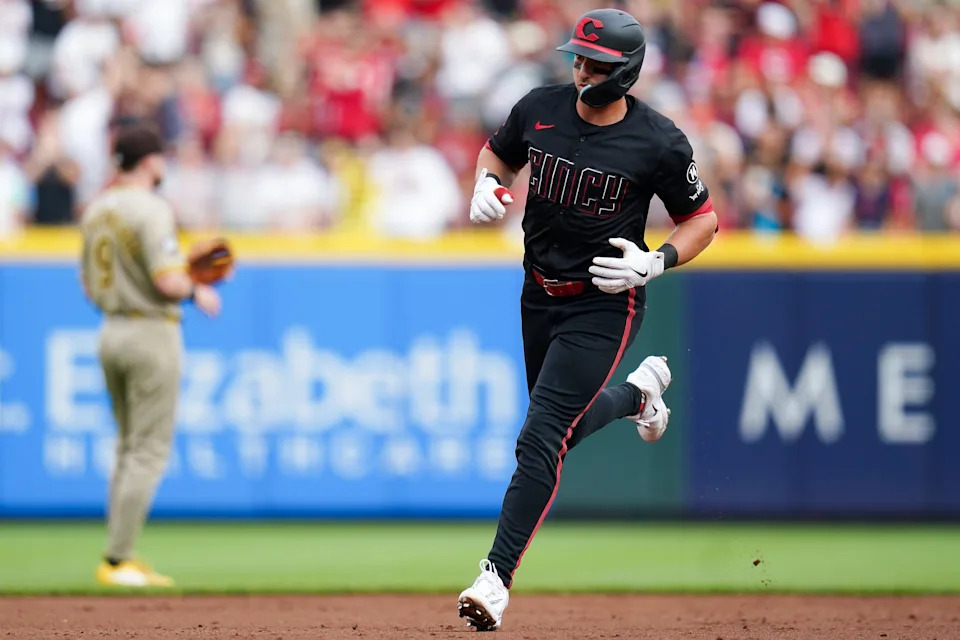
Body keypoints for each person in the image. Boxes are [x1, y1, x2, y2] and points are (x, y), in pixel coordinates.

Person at [457, 8, 718, 631]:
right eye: (577, 56)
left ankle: (494, 579)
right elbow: (497, 154)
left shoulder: (657, 140)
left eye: (594, 62)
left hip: (605, 298)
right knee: (554, 436)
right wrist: (486, 183)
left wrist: (657, 262)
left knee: (539, 437)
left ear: (623, 70)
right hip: (538, 291)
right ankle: (637, 395)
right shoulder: (540, 105)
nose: (580, 68)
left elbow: (703, 219)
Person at [80, 124, 222, 587]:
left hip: (110, 330)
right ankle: (119, 560)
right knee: (148, 450)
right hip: (149, 332)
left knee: (127, 447)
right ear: (151, 161)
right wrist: (198, 286)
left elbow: (87, 287)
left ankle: (118, 555)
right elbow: (167, 281)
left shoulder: (97, 208)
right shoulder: (152, 207)